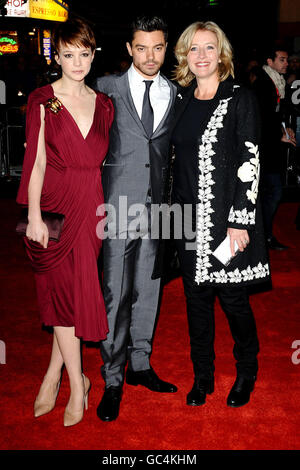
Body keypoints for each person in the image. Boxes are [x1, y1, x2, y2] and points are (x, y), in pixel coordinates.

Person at [16, 18, 114, 427]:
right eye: (68, 55)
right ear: (57, 55)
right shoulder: (42, 99)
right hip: (54, 208)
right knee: (59, 295)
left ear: (93, 55)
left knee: (70, 298)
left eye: (84, 54)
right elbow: (35, 163)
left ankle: (53, 372)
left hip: (91, 204)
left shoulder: (105, 103)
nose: (77, 62)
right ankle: (78, 383)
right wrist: (34, 214)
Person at [170, 21, 270, 408]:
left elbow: (251, 160)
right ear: (184, 55)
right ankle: (203, 376)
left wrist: (240, 219)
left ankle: (247, 369)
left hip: (225, 220)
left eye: (209, 48)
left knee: (232, 299)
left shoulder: (239, 99)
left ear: (222, 53)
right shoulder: (180, 99)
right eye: (194, 49)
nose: (201, 56)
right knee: (195, 300)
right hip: (183, 216)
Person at [94, 16, 177, 422]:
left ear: (167, 47)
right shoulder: (105, 88)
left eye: (158, 47)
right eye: (142, 47)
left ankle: (140, 365)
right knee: (115, 293)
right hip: (114, 207)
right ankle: (112, 378)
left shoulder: (176, 93)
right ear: (129, 48)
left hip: (160, 210)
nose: (150, 56)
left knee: (149, 291)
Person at [252, 46, 296, 250]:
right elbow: (260, 119)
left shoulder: (276, 82)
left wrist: (286, 127)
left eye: (287, 60)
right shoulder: (262, 84)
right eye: (282, 59)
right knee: (273, 193)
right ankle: (264, 237)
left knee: (268, 194)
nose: (286, 63)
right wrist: (280, 136)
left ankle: (264, 236)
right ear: (270, 62)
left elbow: (279, 111)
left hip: (270, 149)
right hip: (263, 150)